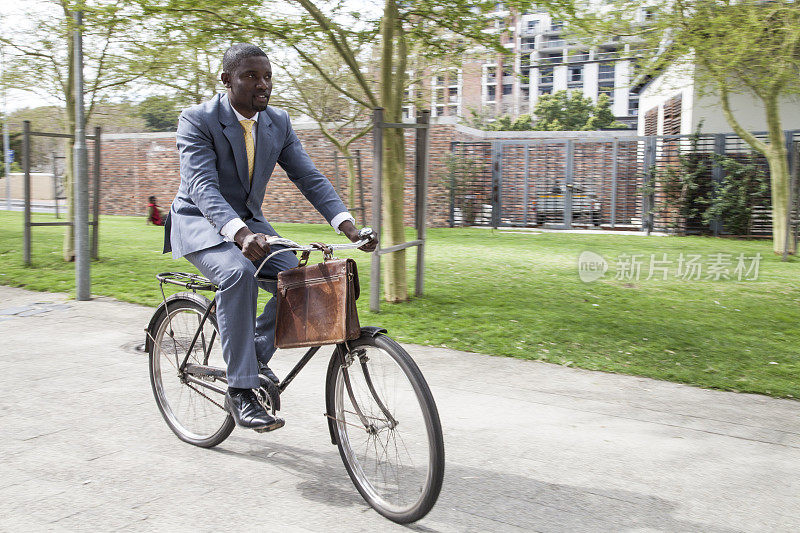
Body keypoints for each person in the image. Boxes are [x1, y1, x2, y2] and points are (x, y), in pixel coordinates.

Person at [163, 43, 377, 432]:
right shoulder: (197, 120)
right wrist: (241, 234)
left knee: (299, 280)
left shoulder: (277, 122)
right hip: (198, 222)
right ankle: (240, 388)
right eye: (250, 76)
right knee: (237, 275)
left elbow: (309, 177)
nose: (262, 85)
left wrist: (350, 227)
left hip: (249, 224)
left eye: (267, 77)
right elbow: (202, 187)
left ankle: (255, 355)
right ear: (226, 79)